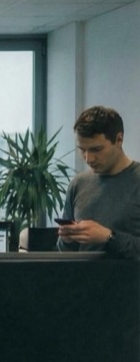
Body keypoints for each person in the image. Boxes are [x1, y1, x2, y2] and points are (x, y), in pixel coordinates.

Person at [57, 106, 140, 258]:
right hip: (84, 280)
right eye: (82, 150)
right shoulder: (78, 184)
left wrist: (109, 237)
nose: (89, 158)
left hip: (129, 281)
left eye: (96, 149)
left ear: (119, 139)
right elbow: (65, 253)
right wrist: (67, 239)